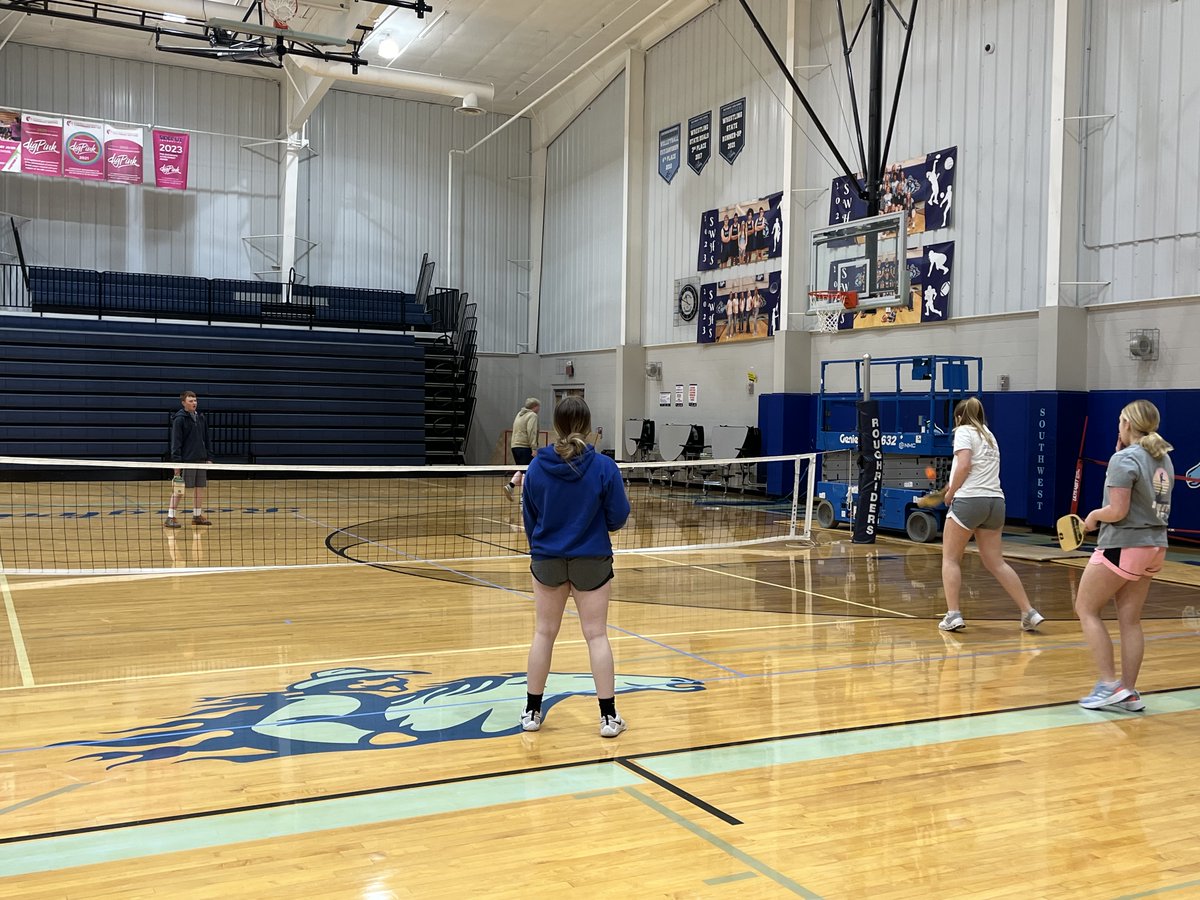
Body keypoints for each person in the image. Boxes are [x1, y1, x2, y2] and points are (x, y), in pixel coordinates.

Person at [519, 396, 631, 738]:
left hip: (547, 559)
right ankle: (608, 717)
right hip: (592, 560)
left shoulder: (537, 467)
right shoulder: (603, 467)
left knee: (543, 633)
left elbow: (530, 517)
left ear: (555, 425)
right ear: (586, 424)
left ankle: (532, 712)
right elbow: (619, 516)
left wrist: (542, 542)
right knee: (596, 635)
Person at [1075, 400, 1174, 711]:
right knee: (1130, 620)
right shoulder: (1163, 459)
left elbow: (1117, 511)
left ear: (1127, 425)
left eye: (1120, 421)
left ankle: (1107, 685)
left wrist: (1091, 517)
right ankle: (1128, 691)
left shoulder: (1124, 458)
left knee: (1086, 608)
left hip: (1125, 543)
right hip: (1155, 545)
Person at [937, 396, 1043, 632]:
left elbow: (964, 465)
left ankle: (953, 614)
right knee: (996, 562)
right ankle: (1029, 611)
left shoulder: (963, 430)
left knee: (951, 559)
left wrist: (950, 493)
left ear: (958, 417)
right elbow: (975, 469)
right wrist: (951, 485)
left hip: (969, 501)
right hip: (995, 502)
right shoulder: (989, 435)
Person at [166, 390, 213, 527]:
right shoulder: (179, 419)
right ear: (183, 403)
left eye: (195, 400)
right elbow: (176, 443)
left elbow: (207, 439)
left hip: (201, 460)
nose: (194, 403)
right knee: (179, 490)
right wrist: (177, 463)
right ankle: (170, 517)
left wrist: (208, 457)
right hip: (187, 461)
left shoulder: (201, 418)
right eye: (191, 401)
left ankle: (197, 516)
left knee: (199, 488)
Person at [504, 398, 540, 500]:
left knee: (522, 469)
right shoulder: (532, 415)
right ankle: (524, 496)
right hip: (525, 446)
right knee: (527, 471)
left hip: (515, 446)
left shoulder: (519, 414)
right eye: (538, 407)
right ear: (535, 407)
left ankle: (510, 486)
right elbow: (531, 432)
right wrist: (534, 448)